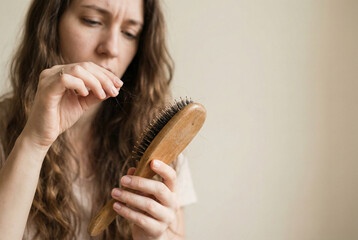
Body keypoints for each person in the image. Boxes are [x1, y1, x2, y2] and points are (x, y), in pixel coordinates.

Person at [0, 0, 197, 239]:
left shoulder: (161, 149)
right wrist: (33, 142)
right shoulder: (4, 127)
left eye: (129, 33)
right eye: (92, 21)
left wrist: (156, 236)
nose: (112, 48)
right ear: (51, 24)